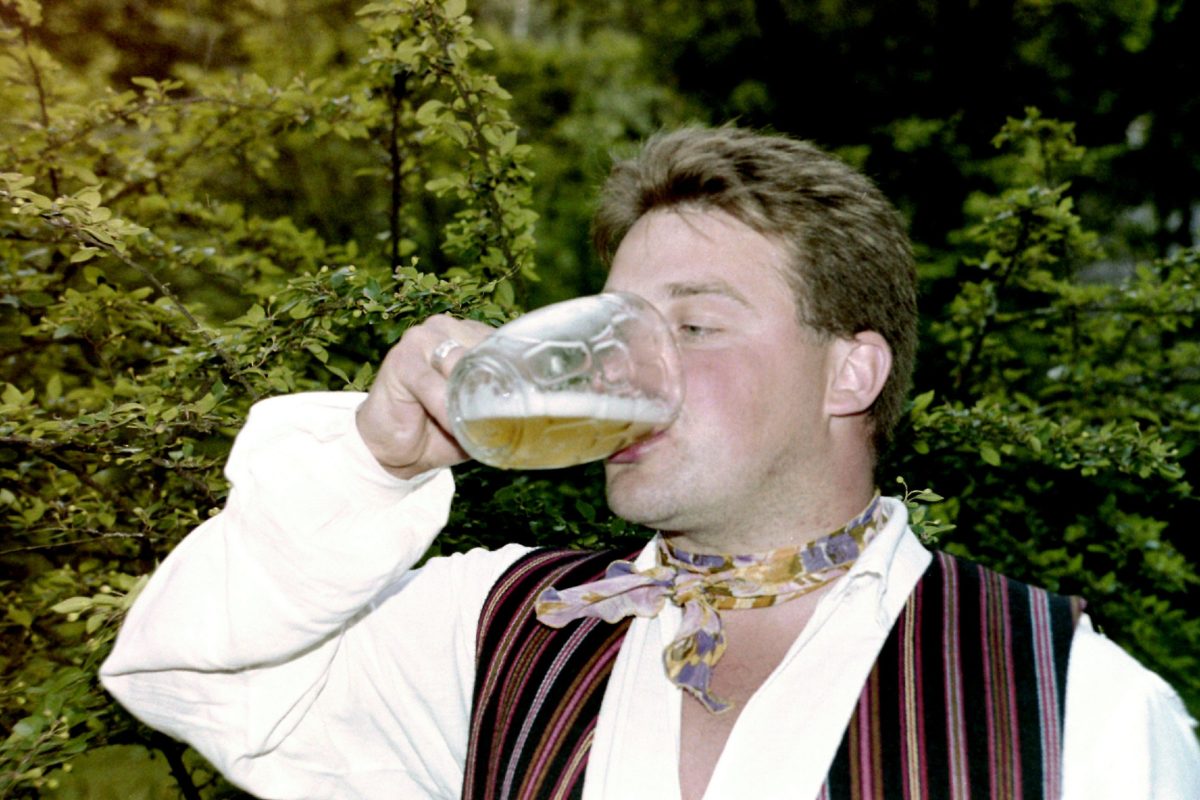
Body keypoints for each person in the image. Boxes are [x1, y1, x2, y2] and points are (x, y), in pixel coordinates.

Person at [100, 126, 1199, 799]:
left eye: (697, 325)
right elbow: (189, 674)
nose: (631, 366)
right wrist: (373, 467)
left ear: (850, 372)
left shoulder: (1076, 704)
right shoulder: (502, 627)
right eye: (619, 323)